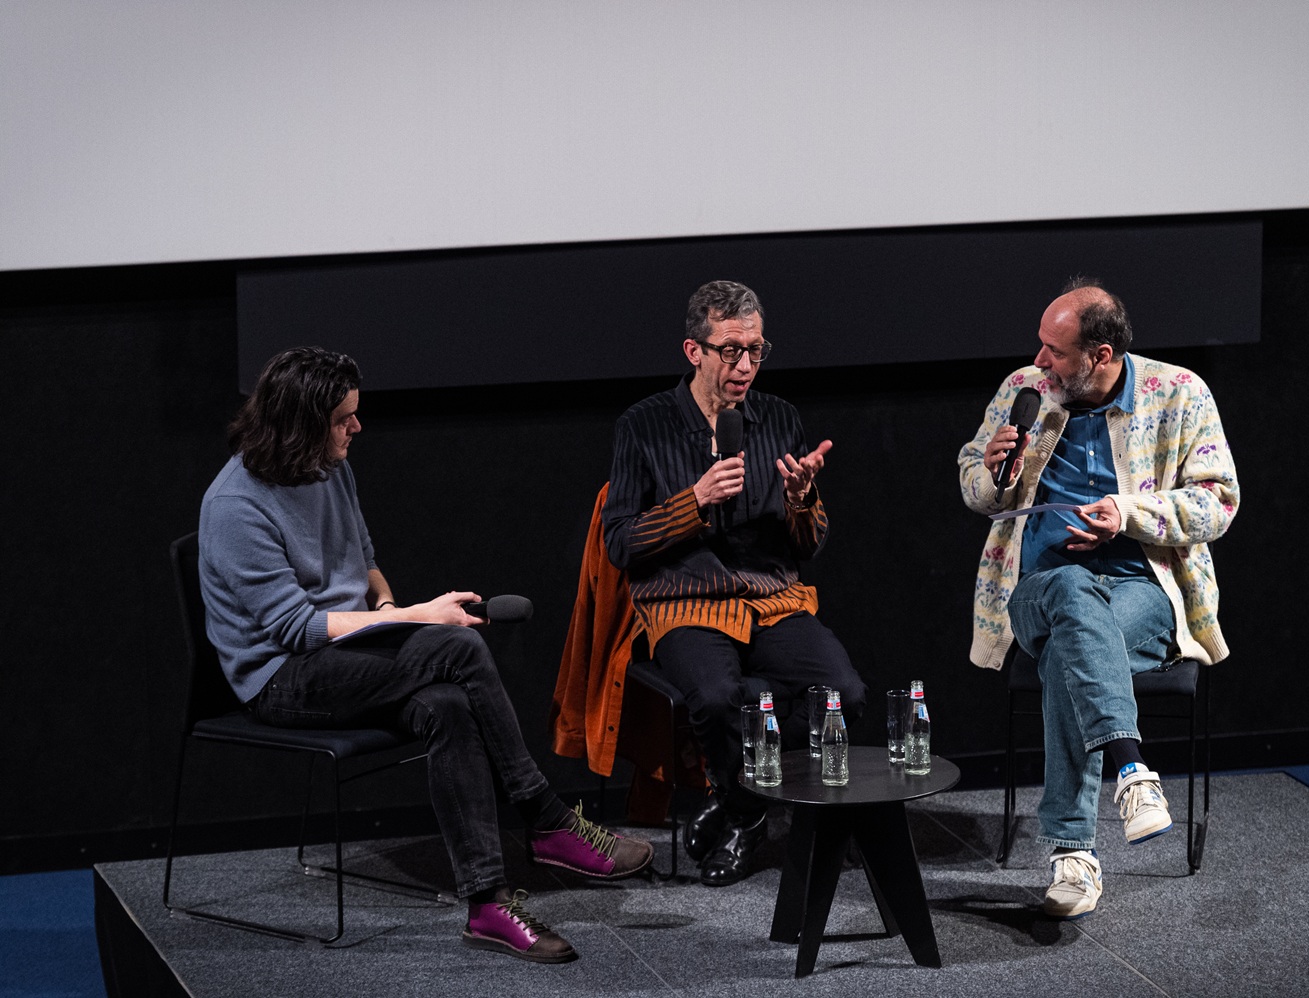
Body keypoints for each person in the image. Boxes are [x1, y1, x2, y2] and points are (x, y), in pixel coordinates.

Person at [198, 346, 652, 963]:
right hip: (281, 677)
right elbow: (296, 628)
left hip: (345, 651)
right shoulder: (235, 506)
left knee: (447, 706)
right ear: (301, 425)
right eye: (342, 419)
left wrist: (388, 608)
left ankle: (488, 905)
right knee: (458, 646)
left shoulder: (329, 467)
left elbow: (364, 562)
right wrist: (414, 617)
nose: (357, 427)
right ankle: (546, 818)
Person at [958, 278, 1239, 919]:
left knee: (1071, 651)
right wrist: (992, 472)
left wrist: (1129, 514)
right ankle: (1131, 769)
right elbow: (975, 487)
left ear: (1101, 355)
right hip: (1039, 588)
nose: (1039, 362)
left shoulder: (1181, 392)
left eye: (1055, 352)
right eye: (1040, 346)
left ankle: (1073, 855)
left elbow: (1218, 502)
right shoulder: (1023, 392)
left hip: (1144, 590)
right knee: (1068, 589)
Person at [601, 280, 867, 886]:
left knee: (844, 693)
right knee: (719, 698)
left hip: (771, 598)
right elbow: (619, 543)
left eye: (755, 350)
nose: (744, 365)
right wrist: (692, 501)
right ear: (694, 351)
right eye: (730, 351)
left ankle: (737, 801)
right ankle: (748, 818)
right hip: (684, 601)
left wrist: (802, 499)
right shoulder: (643, 425)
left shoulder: (779, 418)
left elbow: (807, 546)